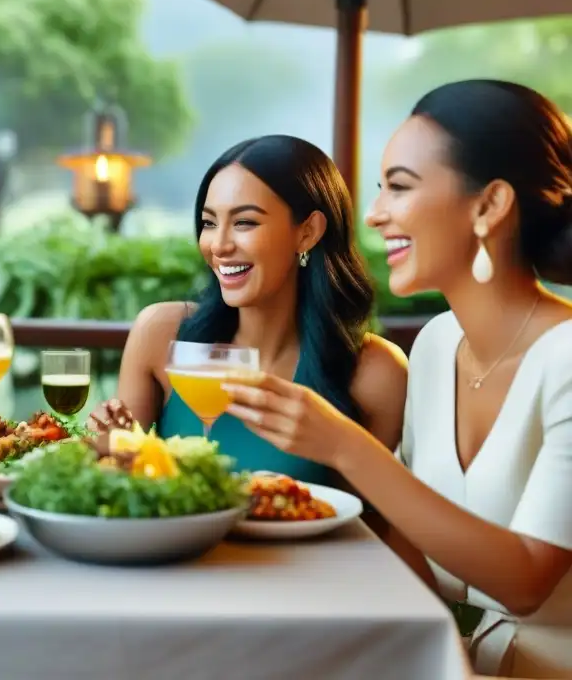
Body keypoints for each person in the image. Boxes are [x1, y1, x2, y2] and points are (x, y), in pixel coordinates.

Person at [223, 81, 572, 678]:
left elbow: (524, 583)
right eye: (380, 186)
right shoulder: (436, 345)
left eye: (400, 186)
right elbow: (409, 535)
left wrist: (342, 446)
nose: (377, 212)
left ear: (489, 205)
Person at [90, 135, 407, 485]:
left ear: (308, 232)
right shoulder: (161, 334)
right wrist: (111, 451)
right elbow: (120, 489)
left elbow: (364, 520)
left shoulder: (375, 373)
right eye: (210, 223)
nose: (219, 245)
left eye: (244, 223)